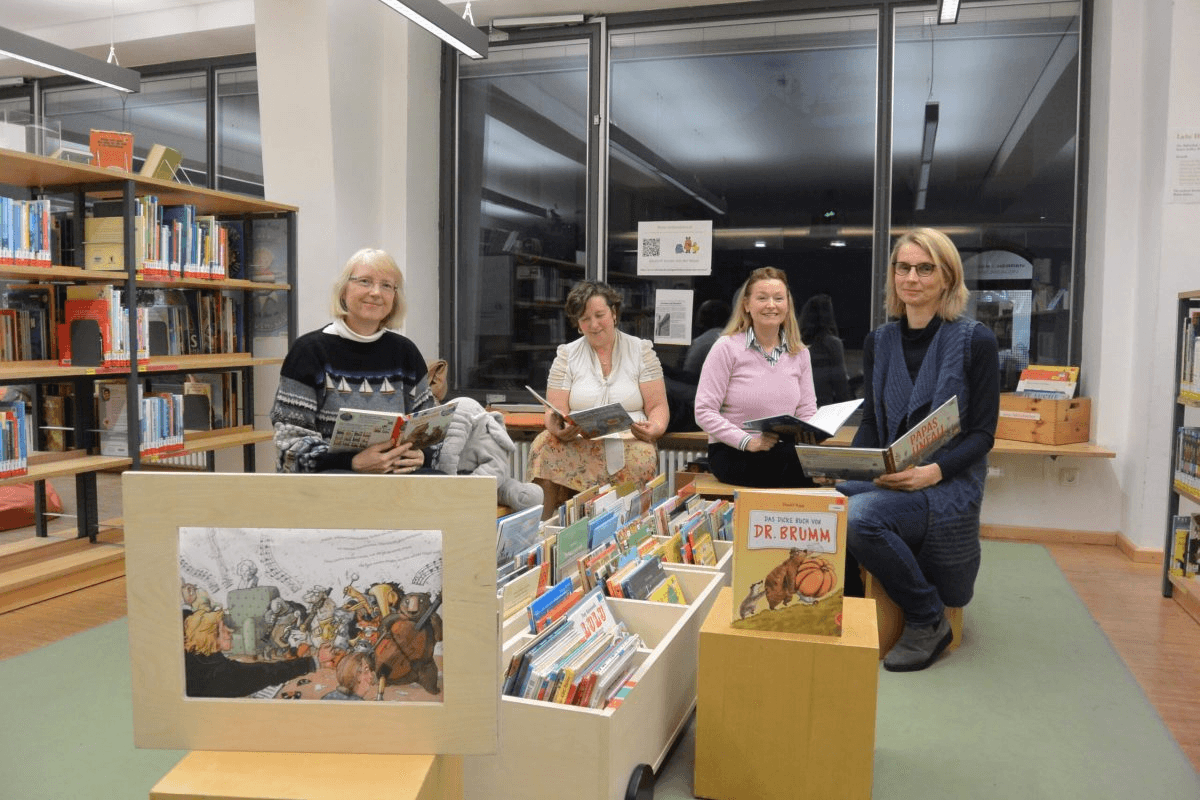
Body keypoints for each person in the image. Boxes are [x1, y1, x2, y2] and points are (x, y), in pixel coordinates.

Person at [837, 228, 999, 673]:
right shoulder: (879, 342)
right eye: (903, 267)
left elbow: (983, 435)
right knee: (828, 500)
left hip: (946, 486)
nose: (912, 277)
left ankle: (928, 618)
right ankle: (848, 609)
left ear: (947, 277)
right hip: (892, 477)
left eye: (925, 268)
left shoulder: (975, 341)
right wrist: (855, 467)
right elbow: (872, 421)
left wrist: (934, 473)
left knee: (860, 518)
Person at [270, 248, 436, 475]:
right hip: (332, 479)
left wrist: (421, 456)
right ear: (343, 291)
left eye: (387, 285)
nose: (376, 292)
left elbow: (429, 434)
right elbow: (289, 445)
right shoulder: (309, 352)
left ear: (394, 297)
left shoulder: (406, 353)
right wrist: (353, 463)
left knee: (443, 487)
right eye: (365, 281)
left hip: (396, 477)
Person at [527, 281, 670, 517]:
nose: (594, 325)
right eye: (585, 319)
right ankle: (543, 531)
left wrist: (655, 427)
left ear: (614, 314)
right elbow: (556, 409)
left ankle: (630, 530)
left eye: (600, 315)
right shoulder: (566, 355)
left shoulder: (641, 351)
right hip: (580, 440)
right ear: (578, 324)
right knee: (543, 445)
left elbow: (657, 406)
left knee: (642, 456)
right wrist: (555, 425)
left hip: (629, 439)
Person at [694, 267, 818, 488]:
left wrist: (813, 436)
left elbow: (807, 411)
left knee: (823, 468)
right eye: (762, 298)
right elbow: (703, 412)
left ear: (787, 305)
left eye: (779, 298)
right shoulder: (726, 348)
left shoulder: (799, 353)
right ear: (747, 305)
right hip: (734, 451)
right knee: (805, 474)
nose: (771, 305)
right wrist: (748, 441)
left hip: (783, 449)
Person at [183, 607, 313, 698]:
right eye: (222, 631)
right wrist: (309, 663)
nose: (230, 631)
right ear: (210, 638)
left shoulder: (187, 621)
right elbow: (266, 673)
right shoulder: (218, 675)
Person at [799, 293, 853, 406]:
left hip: (800, 410)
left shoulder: (797, 345)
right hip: (824, 411)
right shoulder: (832, 344)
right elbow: (841, 385)